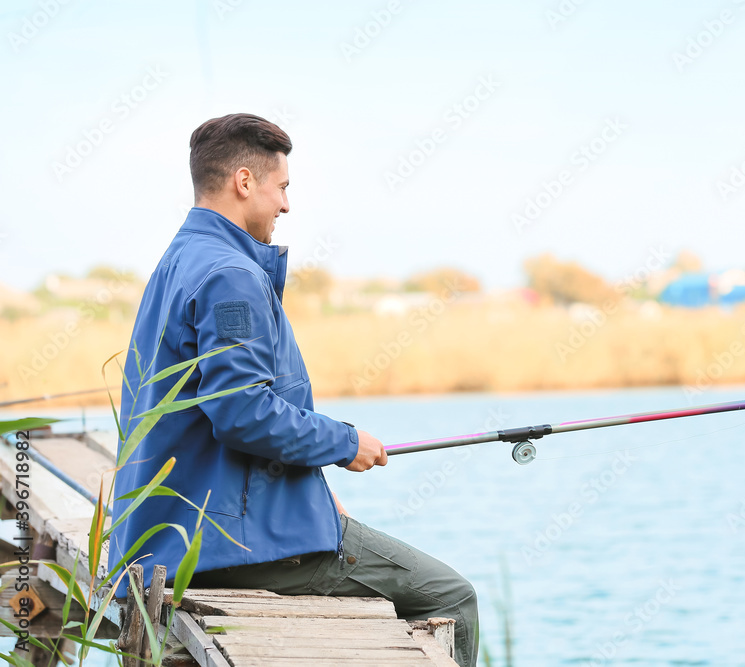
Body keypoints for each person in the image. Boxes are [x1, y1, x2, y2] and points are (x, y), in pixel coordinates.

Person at [109, 113, 478, 666]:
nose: (287, 205)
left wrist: (313, 490)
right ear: (243, 181)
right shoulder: (229, 274)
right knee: (453, 596)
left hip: (169, 533)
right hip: (220, 546)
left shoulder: (180, 259)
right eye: (281, 187)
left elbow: (219, 413)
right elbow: (241, 412)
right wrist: (344, 441)